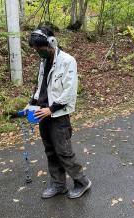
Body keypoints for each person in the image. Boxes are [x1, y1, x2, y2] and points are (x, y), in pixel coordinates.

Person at [24, 25, 91, 199]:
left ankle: (82, 182)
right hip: (42, 113)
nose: (39, 52)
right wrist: (30, 104)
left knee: (64, 152)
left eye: (41, 48)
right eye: (36, 49)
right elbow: (40, 87)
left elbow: (69, 92)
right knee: (50, 151)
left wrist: (51, 109)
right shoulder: (43, 62)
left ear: (51, 43)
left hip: (58, 115)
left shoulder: (68, 61)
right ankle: (58, 185)